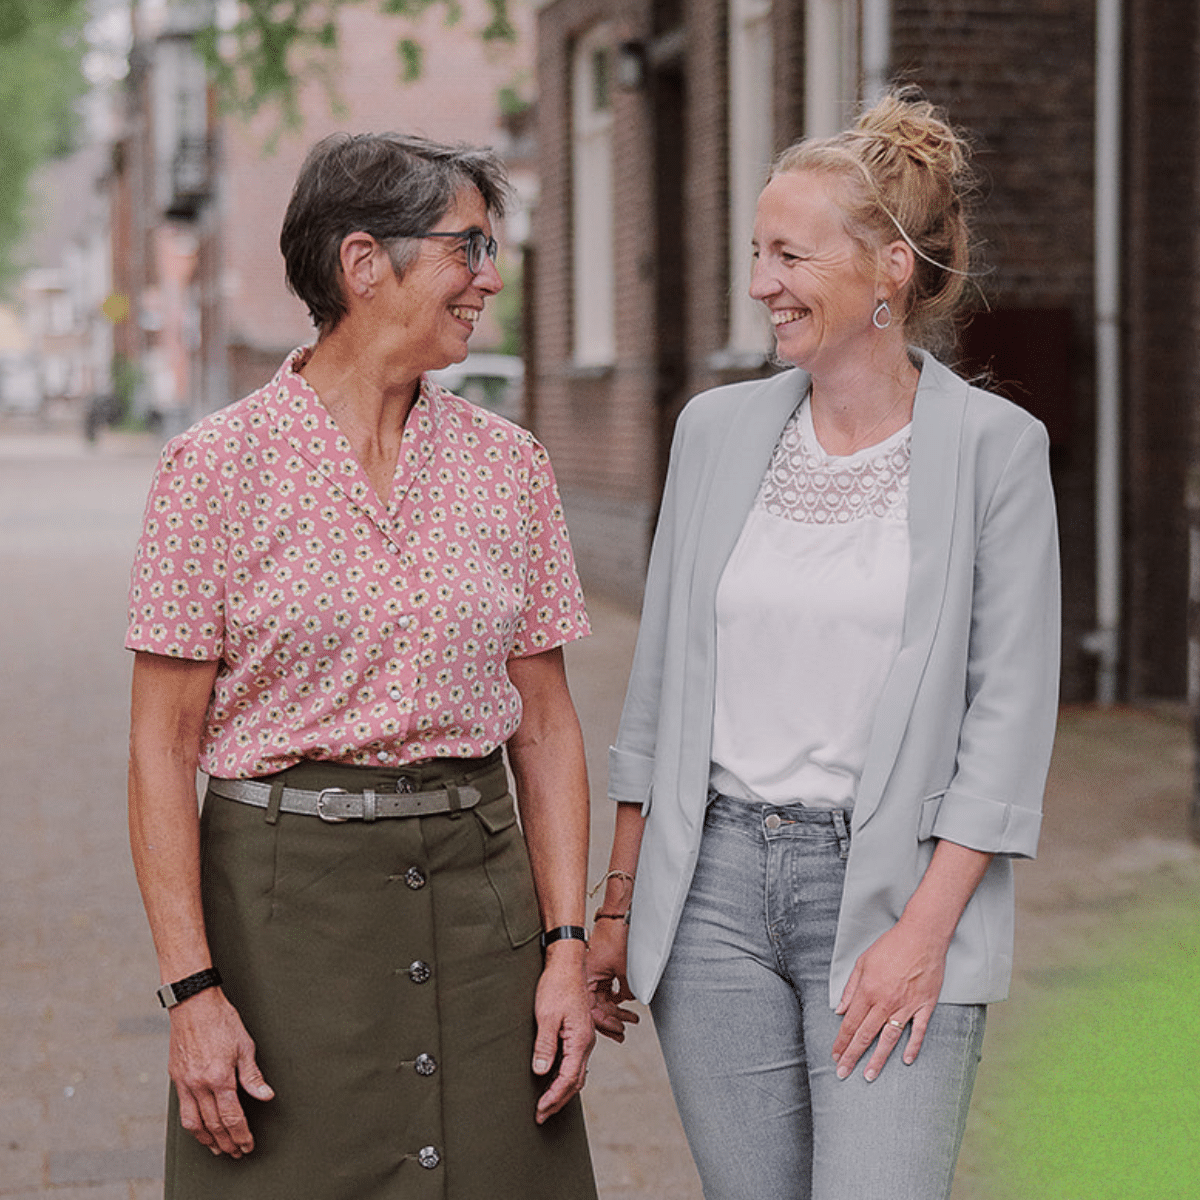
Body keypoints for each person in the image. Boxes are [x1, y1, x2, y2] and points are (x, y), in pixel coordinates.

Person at [587, 90, 1060, 1200]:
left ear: (889, 269)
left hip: (893, 890)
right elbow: (656, 698)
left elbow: (1008, 720)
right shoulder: (712, 433)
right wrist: (618, 910)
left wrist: (922, 933)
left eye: (789, 255)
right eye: (758, 254)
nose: (762, 285)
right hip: (709, 899)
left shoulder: (997, 450)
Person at [126, 133, 598, 1200]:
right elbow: (161, 749)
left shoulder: (510, 466)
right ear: (362, 264)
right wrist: (191, 991)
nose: (491, 275)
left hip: (486, 910)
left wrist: (566, 946)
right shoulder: (214, 472)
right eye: (468, 246)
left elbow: (548, 724)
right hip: (285, 917)